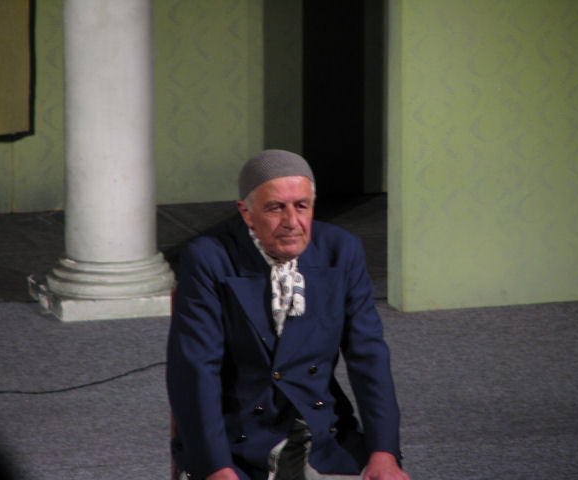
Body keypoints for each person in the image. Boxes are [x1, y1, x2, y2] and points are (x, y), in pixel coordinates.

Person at [167, 150, 410, 480]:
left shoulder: (342, 250)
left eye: (301, 206)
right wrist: (215, 466)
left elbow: (369, 357)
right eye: (275, 207)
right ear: (246, 212)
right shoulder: (209, 259)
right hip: (234, 441)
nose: (292, 222)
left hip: (320, 430)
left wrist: (384, 451)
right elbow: (195, 371)